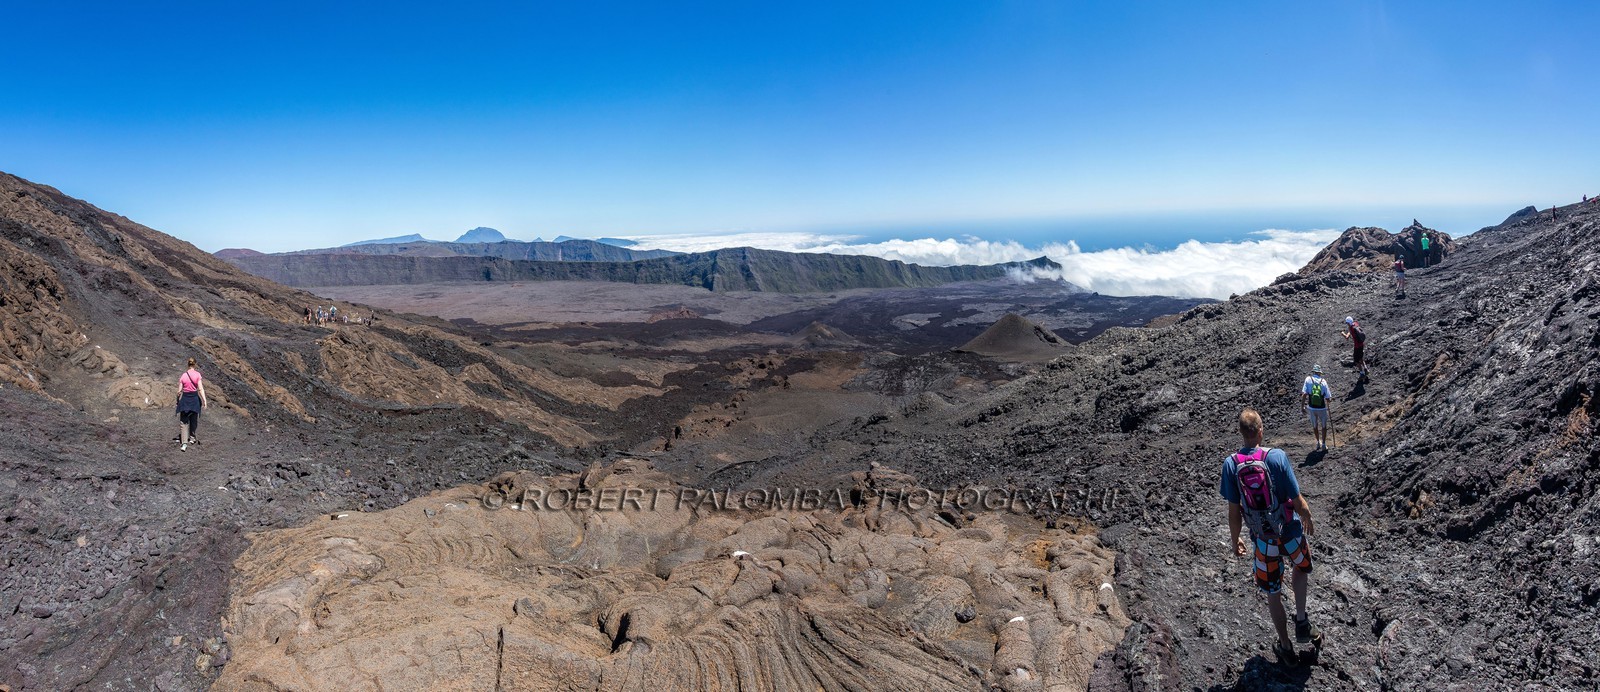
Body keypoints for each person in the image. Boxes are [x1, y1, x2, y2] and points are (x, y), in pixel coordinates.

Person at [1222, 408, 1319, 664]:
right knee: (1301, 568)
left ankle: (1285, 647)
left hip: (1263, 539)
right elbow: (1297, 500)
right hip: (1289, 530)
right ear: (1261, 431)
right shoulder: (1277, 457)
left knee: (1273, 592)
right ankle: (1301, 620)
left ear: (1241, 433)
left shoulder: (1231, 465)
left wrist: (1236, 539)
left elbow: (1234, 511)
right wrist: (1306, 515)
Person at [176, 357, 207, 452]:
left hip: (185, 399)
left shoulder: (183, 376)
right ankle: (192, 438)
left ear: (188, 364)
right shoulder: (198, 375)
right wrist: (204, 401)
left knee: (184, 421)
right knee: (193, 419)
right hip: (194, 399)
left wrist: (178, 400)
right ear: (195, 364)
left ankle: (184, 443)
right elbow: (200, 389)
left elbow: (179, 391)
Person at [1302, 365, 1334, 451]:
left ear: (1313, 372)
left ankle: (1317, 442)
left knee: (1315, 425)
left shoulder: (1308, 379)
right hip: (1322, 408)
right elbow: (1328, 397)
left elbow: (1304, 394)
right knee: (1324, 426)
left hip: (1311, 407)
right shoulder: (1323, 381)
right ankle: (1323, 444)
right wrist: (1329, 400)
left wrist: (1302, 407)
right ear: (1319, 373)